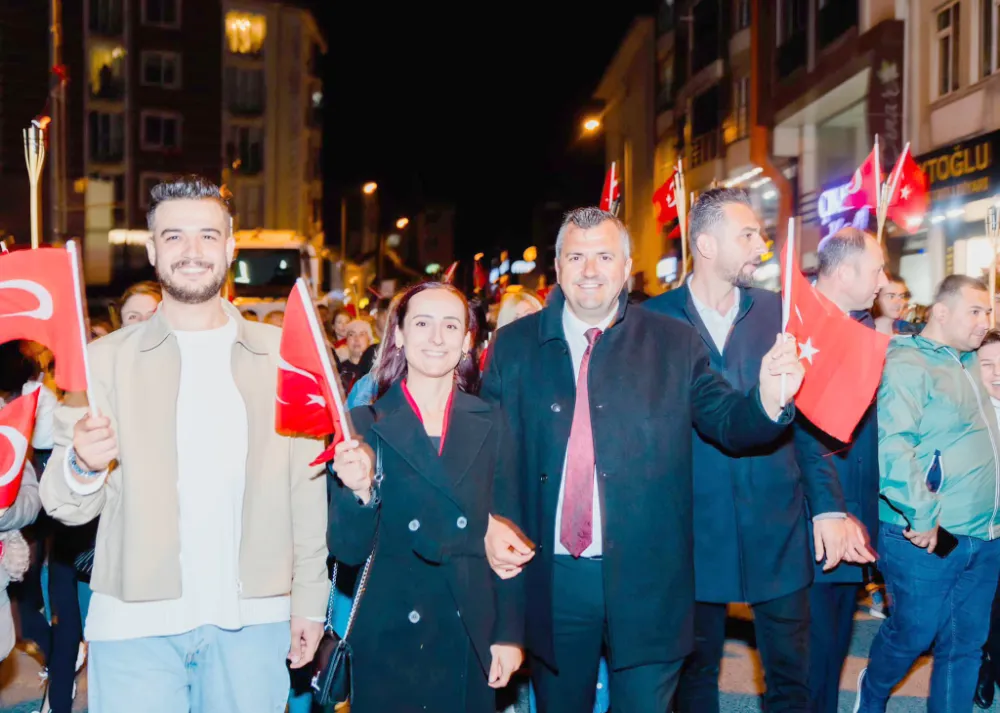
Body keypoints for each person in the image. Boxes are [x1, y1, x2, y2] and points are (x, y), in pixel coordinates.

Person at [482, 206, 805, 713]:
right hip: (554, 579)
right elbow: (489, 454)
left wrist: (767, 399)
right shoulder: (514, 347)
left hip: (649, 579)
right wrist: (489, 521)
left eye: (605, 256)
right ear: (558, 267)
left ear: (628, 266)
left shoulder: (673, 342)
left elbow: (728, 421)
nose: (590, 270)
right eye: (577, 257)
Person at [39, 175, 329, 713]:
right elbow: (63, 505)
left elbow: (306, 490)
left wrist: (310, 599)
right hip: (134, 625)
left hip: (254, 620)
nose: (192, 251)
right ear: (152, 249)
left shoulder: (283, 356)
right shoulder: (103, 361)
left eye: (207, 235)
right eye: (174, 236)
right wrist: (82, 464)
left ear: (230, 246)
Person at [645, 191, 867, 713]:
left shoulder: (781, 313)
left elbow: (808, 422)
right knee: (693, 678)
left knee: (793, 677)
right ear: (705, 244)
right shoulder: (652, 322)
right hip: (691, 531)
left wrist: (828, 506)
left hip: (777, 523)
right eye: (746, 235)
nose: (760, 246)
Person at [328, 281, 525, 713]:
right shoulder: (362, 423)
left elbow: (511, 539)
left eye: (451, 325)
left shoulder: (493, 422)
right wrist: (360, 494)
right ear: (398, 335)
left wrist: (509, 634)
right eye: (422, 323)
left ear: (467, 341)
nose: (437, 337)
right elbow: (346, 550)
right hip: (388, 634)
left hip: (469, 630)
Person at [855, 275, 1000, 712]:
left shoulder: (972, 361)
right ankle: (873, 688)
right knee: (914, 631)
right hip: (927, 531)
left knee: (965, 642)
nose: (985, 321)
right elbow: (891, 444)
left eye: (988, 311)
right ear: (941, 312)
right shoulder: (908, 361)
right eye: (975, 311)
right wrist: (921, 513)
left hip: (986, 533)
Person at [800, 228, 886, 713]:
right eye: (877, 269)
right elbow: (801, 436)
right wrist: (832, 509)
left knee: (832, 654)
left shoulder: (863, 330)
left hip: (856, 520)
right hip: (812, 523)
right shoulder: (798, 327)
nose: (883, 281)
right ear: (847, 271)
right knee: (805, 662)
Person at [975, 329, 1000, 709]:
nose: (997, 373)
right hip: (973, 527)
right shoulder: (961, 411)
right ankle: (983, 663)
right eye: (987, 364)